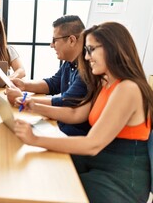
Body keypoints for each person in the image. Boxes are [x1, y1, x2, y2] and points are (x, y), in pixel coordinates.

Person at [14, 22, 153, 202]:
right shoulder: (105, 83)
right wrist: (33, 106)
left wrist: (35, 140)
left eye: (91, 50)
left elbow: (92, 144)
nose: (86, 57)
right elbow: (76, 115)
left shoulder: (128, 88)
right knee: (44, 170)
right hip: (100, 160)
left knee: (52, 188)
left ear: (113, 48)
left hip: (122, 175)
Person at [6, 15, 90, 136]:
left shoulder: (86, 68)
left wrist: (24, 99)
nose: (51, 45)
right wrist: (24, 85)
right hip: (61, 123)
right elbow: (53, 84)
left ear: (72, 40)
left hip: (74, 132)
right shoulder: (69, 62)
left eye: (55, 40)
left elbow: (65, 101)